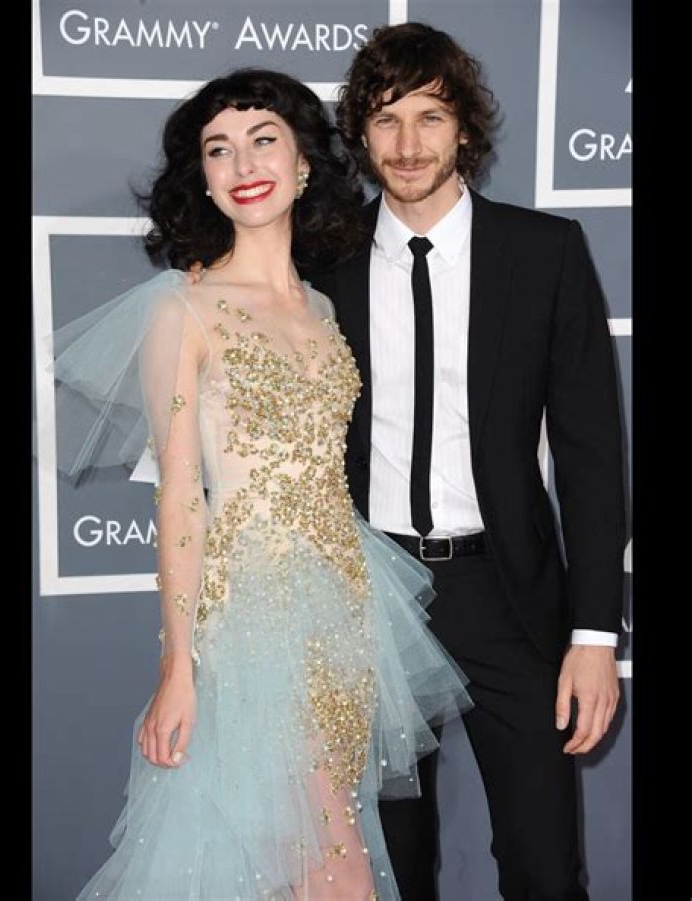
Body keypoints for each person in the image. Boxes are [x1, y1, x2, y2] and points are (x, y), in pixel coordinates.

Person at [48, 67, 472, 900]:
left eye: (263, 139)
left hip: (349, 611)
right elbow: (180, 498)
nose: (243, 163)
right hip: (253, 617)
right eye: (219, 149)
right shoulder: (183, 308)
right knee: (329, 868)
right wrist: (178, 666)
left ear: (304, 161)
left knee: (301, 863)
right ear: (202, 179)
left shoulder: (322, 307)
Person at [305, 23, 626, 901]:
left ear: (465, 129)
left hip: (507, 593)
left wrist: (595, 637)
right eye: (385, 119)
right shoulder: (322, 262)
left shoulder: (544, 253)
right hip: (369, 596)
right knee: (391, 867)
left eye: (430, 117)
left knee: (543, 865)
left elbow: (593, 458)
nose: (407, 144)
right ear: (360, 134)